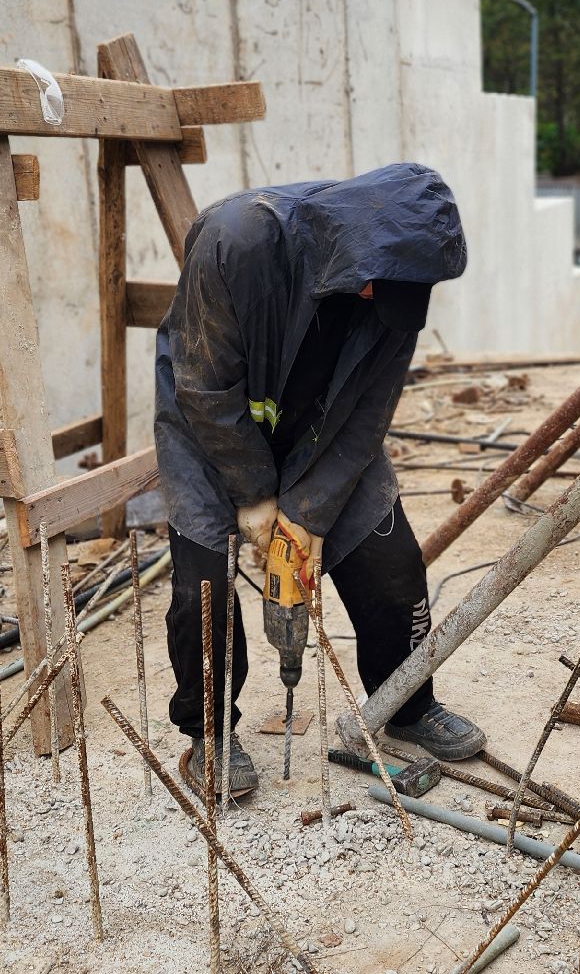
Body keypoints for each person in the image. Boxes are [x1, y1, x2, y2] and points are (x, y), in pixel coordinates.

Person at [153, 162, 486, 796]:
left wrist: (307, 514)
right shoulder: (239, 241)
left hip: (325, 437)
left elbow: (368, 416)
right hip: (210, 427)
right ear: (359, 246)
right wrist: (253, 494)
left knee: (394, 569)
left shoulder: (398, 290)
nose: (376, 303)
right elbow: (204, 384)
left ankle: (406, 707)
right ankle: (210, 736)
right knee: (203, 591)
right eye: (373, 288)